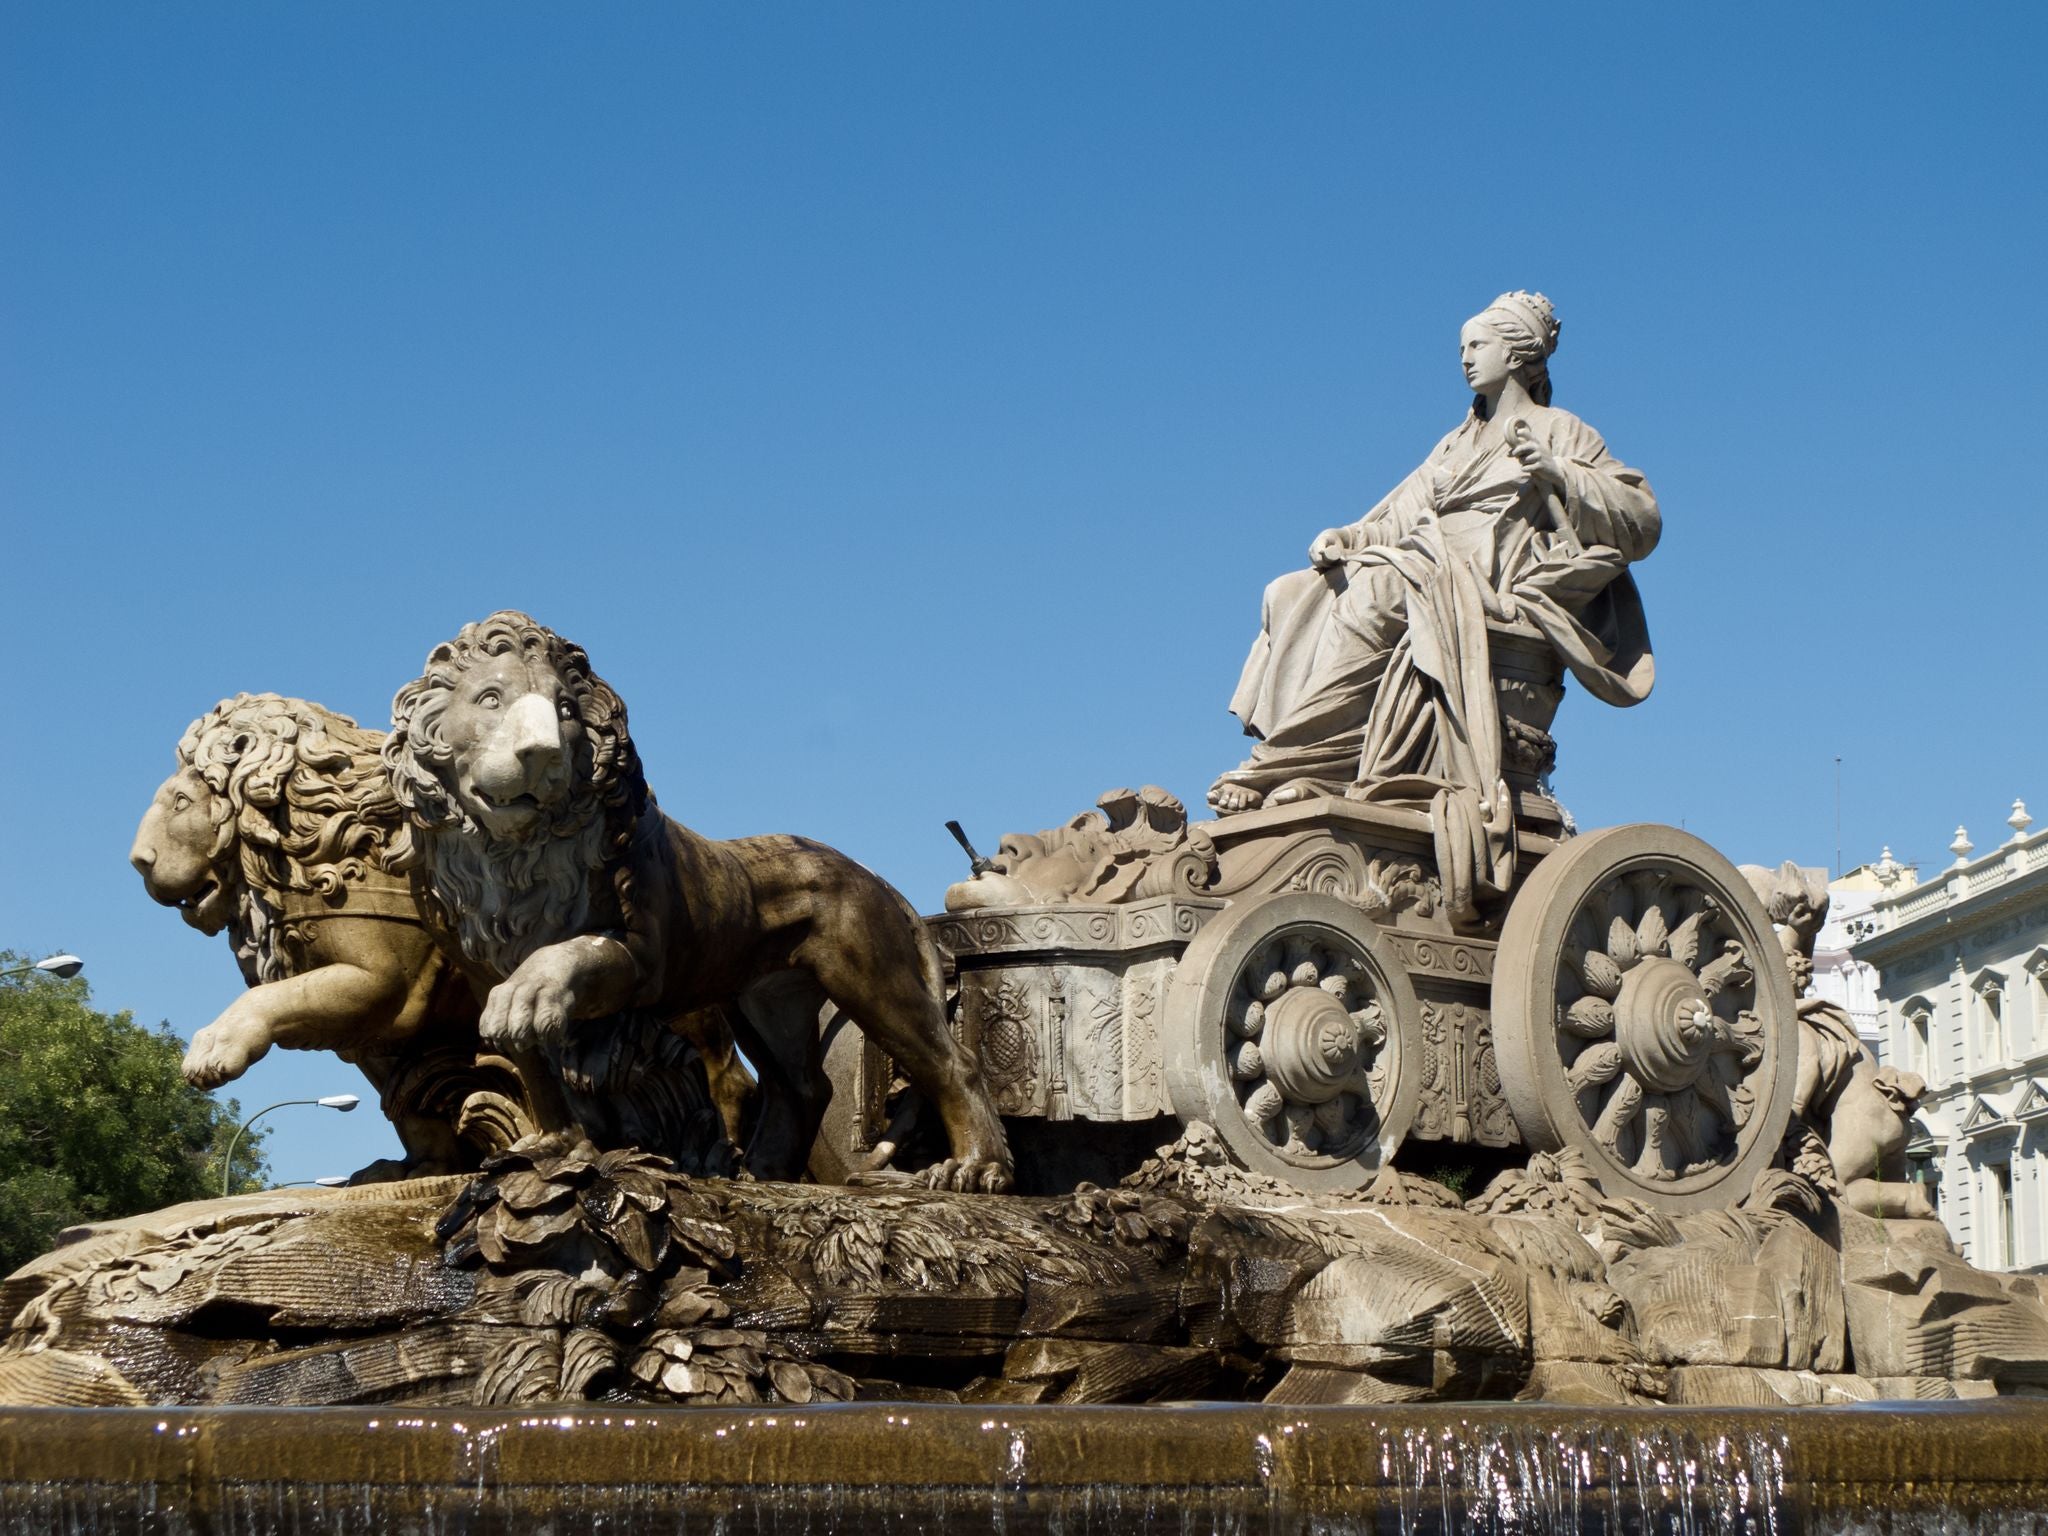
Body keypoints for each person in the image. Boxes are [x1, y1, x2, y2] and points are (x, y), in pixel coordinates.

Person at [1208, 291, 1662, 915]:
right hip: (1424, 560)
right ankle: (1310, 764)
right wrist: (1351, 537)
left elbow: (1641, 519)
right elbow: (1398, 516)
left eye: (1477, 345)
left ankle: (1289, 764)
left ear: (1517, 350)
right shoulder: (1453, 444)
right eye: (1462, 349)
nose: (1466, 359)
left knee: (1374, 596)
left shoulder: (1562, 431)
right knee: (1291, 592)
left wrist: (1559, 473)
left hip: (1486, 580)